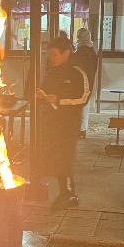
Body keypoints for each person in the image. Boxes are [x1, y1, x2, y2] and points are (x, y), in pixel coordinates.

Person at [36, 33, 90, 210]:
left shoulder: (77, 72)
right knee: (54, 156)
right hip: (51, 121)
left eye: (54, 54)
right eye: (49, 54)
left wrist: (59, 100)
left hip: (68, 123)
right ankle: (65, 192)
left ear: (66, 53)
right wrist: (41, 96)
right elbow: (45, 90)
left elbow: (83, 97)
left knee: (64, 157)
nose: (51, 58)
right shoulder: (52, 72)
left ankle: (68, 194)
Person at [73, 27, 98, 138]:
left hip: (81, 81)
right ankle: (83, 128)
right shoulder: (91, 50)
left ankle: (80, 128)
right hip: (89, 80)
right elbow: (94, 67)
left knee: (80, 104)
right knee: (85, 104)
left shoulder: (81, 51)